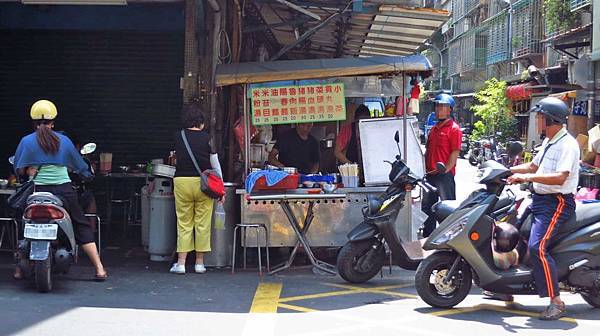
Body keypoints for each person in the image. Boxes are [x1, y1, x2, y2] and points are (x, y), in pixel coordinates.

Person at [13, 100, 107, 281]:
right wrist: (87, 173)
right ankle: (99, 268)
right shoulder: (63, 141)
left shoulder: (26, 141)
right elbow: (80, 166)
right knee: (80, 224)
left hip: (36, 191)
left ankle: (18, 269)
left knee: (25, 223)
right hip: (64, 192)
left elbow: (17, 168)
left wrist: (28, 170)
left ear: (33, 123)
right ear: (53, 122)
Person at [506, 97, 579, 320]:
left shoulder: (567, 144)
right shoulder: (550, 141)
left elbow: (559, 177)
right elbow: (533, 165)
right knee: (512, 234)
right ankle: (505, 287)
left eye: (539, 118)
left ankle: (556, 301)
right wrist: (505, 171)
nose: (537, 122)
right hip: (538, 200)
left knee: (537, 247)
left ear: (550, 119)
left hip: (557, 202)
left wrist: (525, 177)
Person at [170, 102, 223, 275]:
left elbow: (173, 159)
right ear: (201, 122)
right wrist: (221, 188)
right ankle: (199, 263)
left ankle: (181, 263)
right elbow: (215, 165)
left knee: (184, 223)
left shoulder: (178, 136)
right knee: (202, 223)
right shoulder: (208, 138)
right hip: (203, 184)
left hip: (182, 182)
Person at [421, 94, 462, 238]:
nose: (439, 110)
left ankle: (450, 239)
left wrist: (445, 170)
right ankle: (428, 237)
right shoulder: (434, 129)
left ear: (449, 110)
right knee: (427, 208)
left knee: (447, 209)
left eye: (442, 107)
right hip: (430, 175)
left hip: (444, 175)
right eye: (437, 106)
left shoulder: (454, 129)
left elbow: (454, 154)